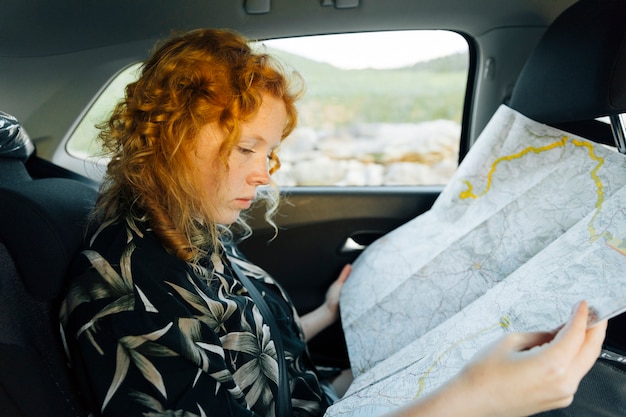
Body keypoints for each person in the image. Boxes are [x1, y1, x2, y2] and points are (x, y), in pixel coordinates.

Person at [60, 28, 607, 417]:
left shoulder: (189, 230)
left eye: (268, 153)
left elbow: (248, 345)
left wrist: (325, 315)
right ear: (170, 138)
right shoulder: (122, 299)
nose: (264, 176)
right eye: (246, 147)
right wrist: (467, 401)